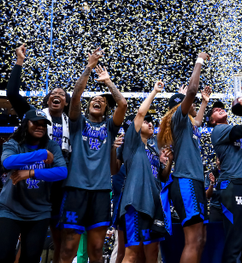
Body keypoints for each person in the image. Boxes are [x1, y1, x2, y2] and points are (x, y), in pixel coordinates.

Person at [58, 48, 127, 263]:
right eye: (93, 99)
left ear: (106, 108)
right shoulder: (78, 123)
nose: (97, 100)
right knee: (68, 249)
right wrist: (89, 67)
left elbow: (123, 104)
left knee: (97, 251)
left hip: (100, 191)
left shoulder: (109, 126)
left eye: (102, 100)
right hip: (76, 189)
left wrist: (107, 81)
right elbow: (76, 95)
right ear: (88, 106)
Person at [6, 44, 71, 262]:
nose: (57, 94)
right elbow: (12, 94)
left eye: (62, 94)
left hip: (59, 178)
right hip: (34, 177)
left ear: (67, 102)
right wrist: (19, 62)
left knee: (57, 232)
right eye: (53, 93)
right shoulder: (35, 116)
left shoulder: (73, 121)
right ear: (46, 100)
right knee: (27, 236)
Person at [0, 109, 67, 263]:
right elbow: (7, 162)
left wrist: (31, 172)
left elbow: (62, 172)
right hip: (9, 210)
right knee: (3, 257)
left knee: (31, 259)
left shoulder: (52, 145)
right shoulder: (13, 144)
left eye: (43, 124)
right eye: (36, 123)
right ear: (26, 124)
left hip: (39, 212)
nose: (40, 126)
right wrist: (42, 154)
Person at [157, 52, 210, 263]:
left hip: (193, 181)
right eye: (189, 103)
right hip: (186, 181)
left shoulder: (187, 124)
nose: (193, 104)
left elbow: (197, 121)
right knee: (194, 239)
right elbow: (193, 90)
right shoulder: (179, 120)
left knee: (201, 239)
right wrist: (199, 62)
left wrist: (204, 103)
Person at [118, 81, 170, 262]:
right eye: (146, 121)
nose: (149, 123)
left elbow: (162, 178)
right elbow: (140, 112)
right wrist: (155, 91)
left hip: (153, 204)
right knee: (132, 254)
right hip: (136, 202)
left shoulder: (154, 151)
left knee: (152, 255)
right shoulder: (133, 143)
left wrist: (168, 163)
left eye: (151, 122)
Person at [206, 95, 242, 263]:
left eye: (221, 107)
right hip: (232, 184)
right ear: (212, 121)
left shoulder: (231, 131)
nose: (219, 109)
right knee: (235, 239)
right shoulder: (219, 130)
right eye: (214, 111)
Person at [205, 158, 222, 222]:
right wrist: (212, 184)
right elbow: (207, 195)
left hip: (228, 207)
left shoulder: (231, 173)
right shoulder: (211, 174)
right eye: (218, 158)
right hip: (215, 207)